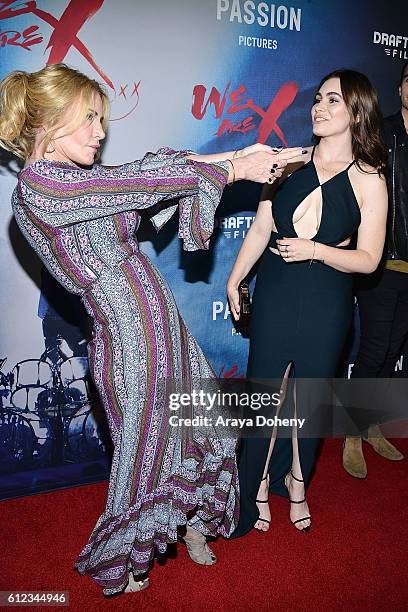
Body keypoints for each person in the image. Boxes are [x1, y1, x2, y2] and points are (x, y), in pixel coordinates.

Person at [0, 63, 302, 596]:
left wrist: (237, 158)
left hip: (163, 316)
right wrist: (235, 170)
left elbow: (148, 170)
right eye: (88, 118)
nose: (101, 130)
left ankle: (189, 521)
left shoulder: (80, 180)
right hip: (126, 334)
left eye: (101, 118)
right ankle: (132, 548)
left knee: (202, 426)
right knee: (148, 446)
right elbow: (138, 181)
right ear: (47, 122)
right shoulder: (38, 190)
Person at [227, 69, 388, 536]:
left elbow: (370, 259)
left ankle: (297, 482)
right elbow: (260, 228)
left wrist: (317, 250)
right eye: (318, 99)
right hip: (276, 289)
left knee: (309, 396)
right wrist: (234, 280)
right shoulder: (287, 163)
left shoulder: (368, 179)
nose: (319, 107)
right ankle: (255, 483)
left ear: (356, 112)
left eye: (333, 101)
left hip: (327, 297)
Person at [343, 62, 408, 478]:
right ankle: (351, 432)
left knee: (393, 350)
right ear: (401, 88)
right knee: (373, 349)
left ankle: (371, 425)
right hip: (380, 259)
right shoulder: (382, 135)